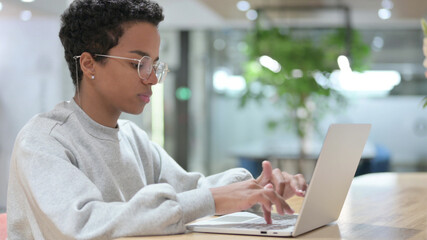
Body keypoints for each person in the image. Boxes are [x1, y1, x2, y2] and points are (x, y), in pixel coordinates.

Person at [6, 0, 308, 239]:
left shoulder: (131, 137)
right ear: (89, 64)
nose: (152, 78)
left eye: (155, 65)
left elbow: (192, 190)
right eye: (140, 63)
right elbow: (83, 227)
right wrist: (214, 199)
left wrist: (257, 188)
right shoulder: (44, 140)